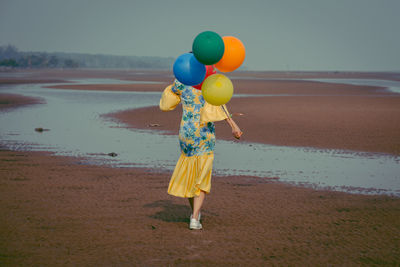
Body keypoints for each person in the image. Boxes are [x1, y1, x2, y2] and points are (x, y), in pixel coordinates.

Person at [159, 78, 242, 230]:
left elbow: (166, 104)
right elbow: (219, 105)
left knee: (191, 173)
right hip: (204, 133)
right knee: (202, 175)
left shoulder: (181, 81)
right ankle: (195, 218)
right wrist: (234, 126)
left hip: (186, 132)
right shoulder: (207, 83)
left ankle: (194, 214)